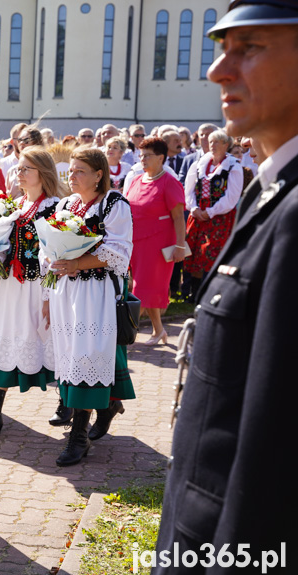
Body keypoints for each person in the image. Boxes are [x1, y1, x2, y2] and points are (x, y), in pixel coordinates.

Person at [155, 3, 298, 570]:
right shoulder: (274, 190)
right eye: (221, 47)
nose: (218, 70)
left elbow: (274, 452)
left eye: (251, 47)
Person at [44, 147, 134, 467]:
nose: (72, 175)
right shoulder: (67, 204)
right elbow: (52, 242)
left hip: (97, 292)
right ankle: (106, 406)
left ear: (99, 174)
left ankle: (78, 438)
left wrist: (78, 262)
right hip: (68, 291)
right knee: (71, 355)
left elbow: (118, 252)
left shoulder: (114, 204)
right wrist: (54, 260)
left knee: (86, 356)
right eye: (71, 170)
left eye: (80, 170)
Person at [0, 146, 65, 434]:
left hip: (39, 286)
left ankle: (68, 403)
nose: (18, 173)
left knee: (48, 340)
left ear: (42, 173)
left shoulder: (57, 207)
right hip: (10, 285)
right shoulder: (16, 204)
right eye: (18, 168)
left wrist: (49, 296)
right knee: (3, 338)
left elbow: (57, 255)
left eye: (26, 169)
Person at [125, 137, 186, 345]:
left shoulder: (170, 182)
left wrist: (179, 246)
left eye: (147, 155)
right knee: (145, 288)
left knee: (140, 290)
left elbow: (179, 217)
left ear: (161, 158)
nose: (142, 159)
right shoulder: (135, 180)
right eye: (141, 155)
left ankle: (124, 335)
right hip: (136, 242)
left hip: (158, 246)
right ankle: (159, 330)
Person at [182, 129, 243, 299]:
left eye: (217, 142)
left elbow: (232, 197)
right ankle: (194, 292)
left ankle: (210, 292)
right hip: (198, 214)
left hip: (220, 217)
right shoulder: (200, 163)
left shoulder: (233, 165)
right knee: (195, 252)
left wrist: (210, 212)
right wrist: (194, 208)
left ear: (226, 145)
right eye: (210, 142)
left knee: (213, 252)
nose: (212, 145)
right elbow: (189, 189)